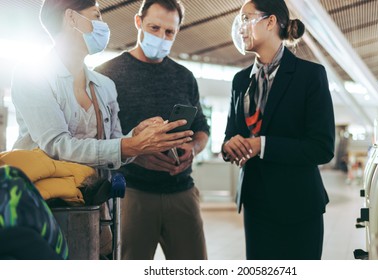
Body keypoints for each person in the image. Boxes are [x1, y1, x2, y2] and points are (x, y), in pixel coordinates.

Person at [11, 0, 193, 178]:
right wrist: (132, 145)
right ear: (71, 17)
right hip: (44, 202)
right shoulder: (32, 76)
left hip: (93, 202)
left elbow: (113, 145)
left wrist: (135, 135)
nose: (103, 25)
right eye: (96, 15)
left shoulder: (104, 85)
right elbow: (57, 146)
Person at [95, 0, 210, 260]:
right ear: (139, 22)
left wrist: (193, 148)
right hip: (131, 194)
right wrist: (137, 152)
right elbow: (97, 139)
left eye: (169, 32)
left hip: (182, 192)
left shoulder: (185, 77)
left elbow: (202, 128)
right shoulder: (106, 75)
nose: (161, 37)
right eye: (154, 27)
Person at [222, 0, 335, 260]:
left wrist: (262, 145)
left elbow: (322, 147)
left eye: (246, 18)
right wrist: (229, 147)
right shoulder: (240, 81)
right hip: (256, 205)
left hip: (299, 206)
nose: (240, 28)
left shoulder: (310, 75)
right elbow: (230, 134)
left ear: (271, 21)